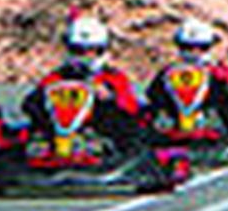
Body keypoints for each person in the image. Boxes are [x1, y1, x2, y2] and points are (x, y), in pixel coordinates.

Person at [23, 14, 145, 150]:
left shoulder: (113, 77)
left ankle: (101, 146)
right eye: (80, 51)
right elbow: (30, 104)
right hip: (60, 133)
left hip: (100, 130)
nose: (86, 56)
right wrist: (43, 97)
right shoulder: (57, 77)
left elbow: (131, 108)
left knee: (125, 126)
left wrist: (109, 97)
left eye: (91, 50)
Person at [145, 17, 228, 135]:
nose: (195, 52)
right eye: (188, 47)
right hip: (175, 128)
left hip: (210, 127)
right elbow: (153, 95)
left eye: (201, 47)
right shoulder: (167, 73)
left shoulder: (218, 72)